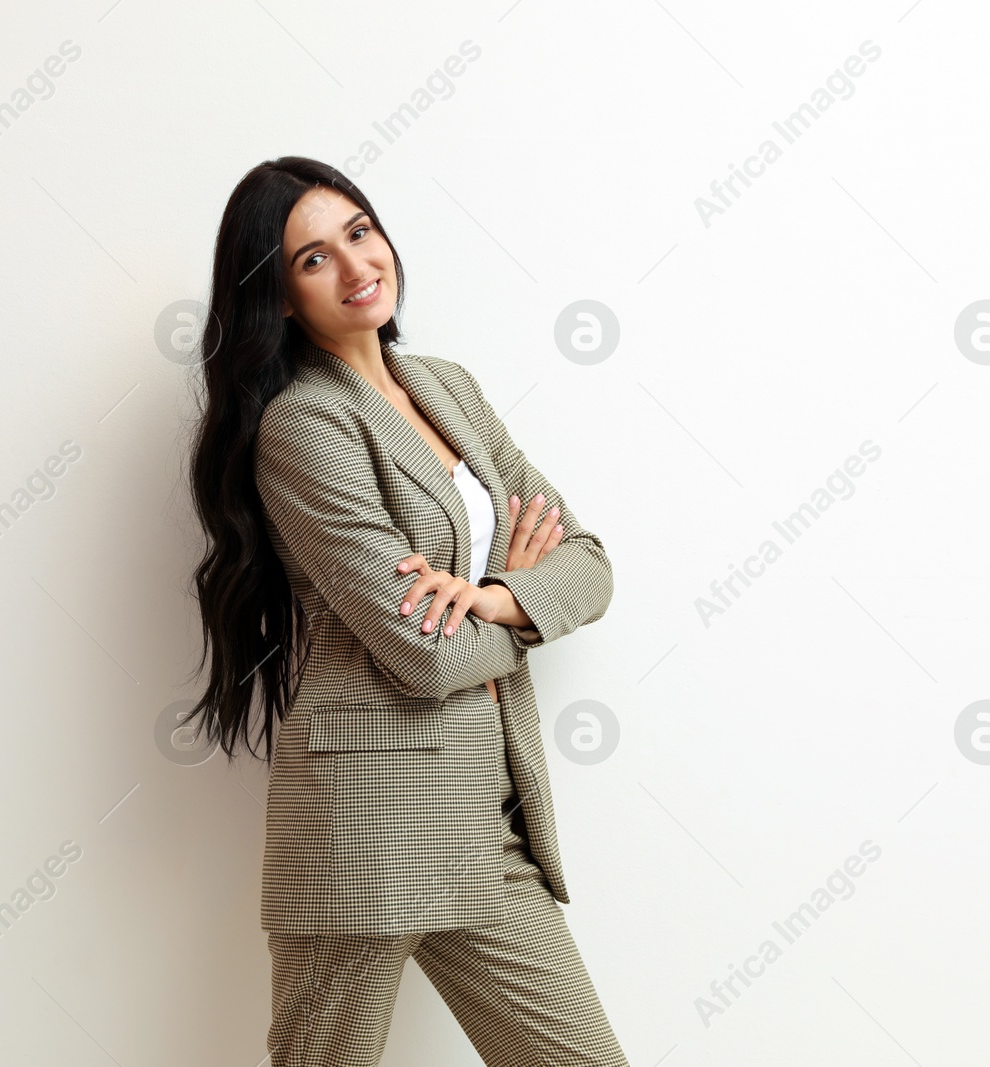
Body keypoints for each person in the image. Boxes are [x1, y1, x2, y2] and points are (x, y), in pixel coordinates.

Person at [185, 156, 625, 1066]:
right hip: (362, 839)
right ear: (279, 297)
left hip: (487, 829)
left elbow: (589, 562)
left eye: (358, 232)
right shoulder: (303, 425)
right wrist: (524, 616)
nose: (355, 268)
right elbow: (420, 653)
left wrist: (495, 596)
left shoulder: (448, 387)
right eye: (313, 259)